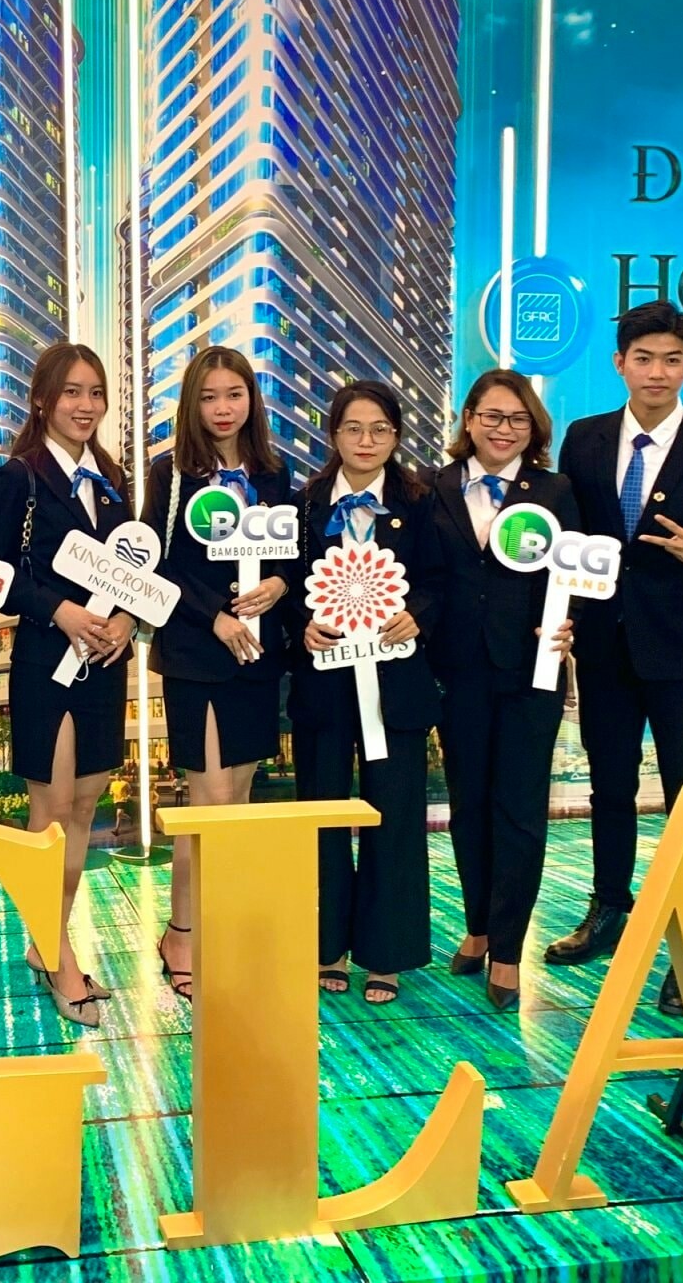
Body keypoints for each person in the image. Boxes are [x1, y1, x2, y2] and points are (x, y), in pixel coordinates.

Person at [547, 302, 683, 1015]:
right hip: (601, 646)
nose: (657, 372)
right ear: (620, 363)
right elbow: (569, 543)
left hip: (679, 650)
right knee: (608, 787)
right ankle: (608, 907)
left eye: (672, 360)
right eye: (643, 358)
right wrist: (559, 621)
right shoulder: (583, 439)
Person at [0, 342, 137, 1028]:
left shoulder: (112, 479)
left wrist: (128, 619)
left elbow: (134, 569)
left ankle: (49, 940)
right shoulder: (19, 476)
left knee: (85, 809)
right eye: (72, 392)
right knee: (52, 813)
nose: (85, 405)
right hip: (48, 658)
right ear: (42, 400)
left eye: (95, 392)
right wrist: (60, 611)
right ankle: (55, 949)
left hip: (104, 662)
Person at [144, 344, 293, 1000]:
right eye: (209, 397)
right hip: (197, 656)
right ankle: (181, 934)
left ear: (251, 400)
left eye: (234, 394)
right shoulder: (170, 474)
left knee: (238, 799)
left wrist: (280, 586)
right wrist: (214, 618)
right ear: (191, 405)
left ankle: (222, 926)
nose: (223, 408)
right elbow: (154, 563)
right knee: (206, 803)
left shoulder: (275, 475)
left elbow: (297, 554)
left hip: (257, 657)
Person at [289, 380, 445, 1006]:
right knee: (322, 814)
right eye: (354, 428)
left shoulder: (421, 502)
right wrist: (300, 626)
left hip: (396, 686)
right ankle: (325, 944)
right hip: (325, 683)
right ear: (334, 435)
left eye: (380, 429)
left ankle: (387, 953)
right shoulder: (303, 506)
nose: (366, 440)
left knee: (396, 816)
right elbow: (283, 581)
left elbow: (442, 579)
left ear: (396, 436)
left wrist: (419, 615)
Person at [429, 369, 576, 1011]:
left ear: (532, 427)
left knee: (519, 809)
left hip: (532, 670)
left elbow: (580, 573)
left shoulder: (555, 490)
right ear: (469, 419)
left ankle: (509, 948)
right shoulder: (433, 487)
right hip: (457, 669)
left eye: (517, 419)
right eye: (491, 415)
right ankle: (478, 926)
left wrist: (571, 624)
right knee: (469, 805)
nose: (502, 428)